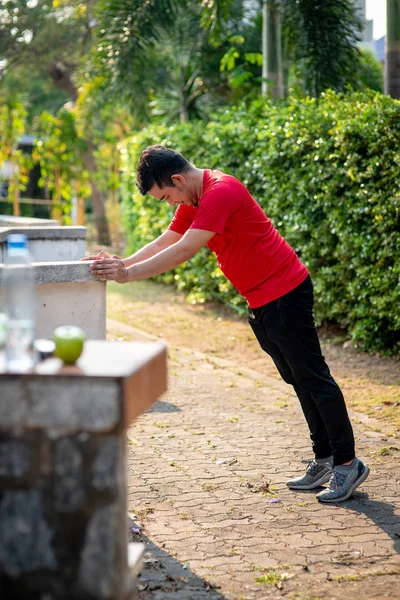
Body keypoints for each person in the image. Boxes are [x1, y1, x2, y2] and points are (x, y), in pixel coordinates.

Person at [84, 144, 370, 503]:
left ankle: (348, 464)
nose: (171, 204)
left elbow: (185, 250)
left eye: (166, 196)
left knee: (314, 378)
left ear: (177, 179)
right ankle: (325, 457)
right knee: (297, 378)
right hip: (261, 300)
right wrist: (122, 263)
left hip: (286, 293)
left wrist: (127, 275)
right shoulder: (194, 199)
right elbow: (168, 240)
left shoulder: (221, 190)